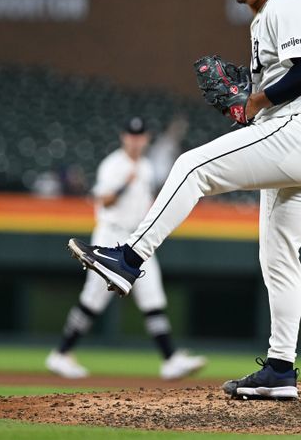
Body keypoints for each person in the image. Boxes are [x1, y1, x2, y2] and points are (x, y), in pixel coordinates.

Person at [67, 0, 301, 400]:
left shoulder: (285, 4)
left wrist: (253, 99)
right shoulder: (261, 22)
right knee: (278, 258)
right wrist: (252, 101)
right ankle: (280, 369)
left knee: (192, 166)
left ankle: (128, 258)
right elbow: (273, 92)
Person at [47, 117, 206, 380]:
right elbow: (103, 201)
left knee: (153, 297)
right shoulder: (113, 165)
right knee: (93, 299)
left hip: (136, 240)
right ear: (124, 137)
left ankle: (170, 360)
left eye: (140, 135)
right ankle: (61, 354)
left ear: (145, 138)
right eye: (131, 135)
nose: (135, 140)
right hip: (110, 235)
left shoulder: (145, 166)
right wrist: (123, 184)